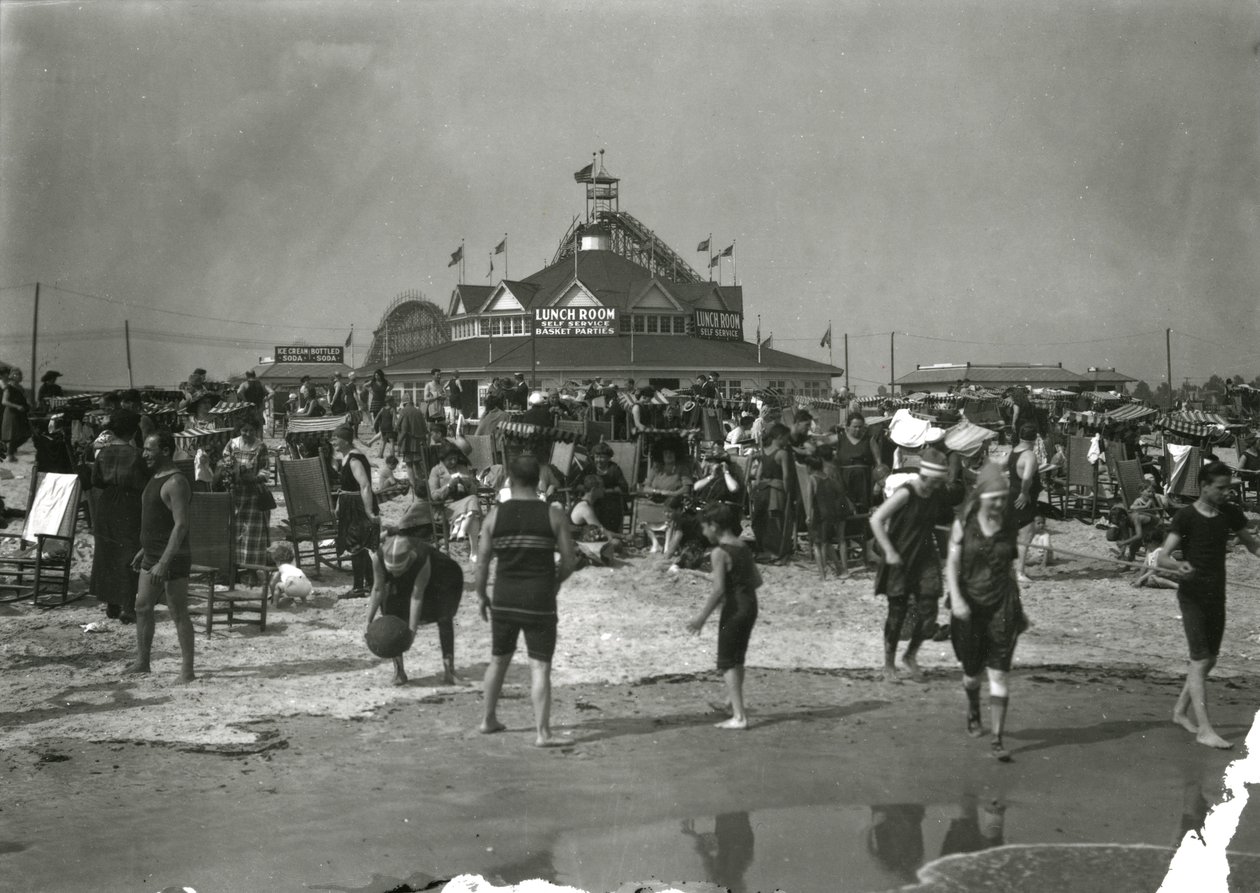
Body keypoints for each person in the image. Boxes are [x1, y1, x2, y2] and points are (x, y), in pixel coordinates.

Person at [1157, 462, 1260, 749]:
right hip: (1192, 596)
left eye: (1229, 487)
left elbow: (1253, 546)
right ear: (1204, 487)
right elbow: (1162, 557)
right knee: (1200, 659)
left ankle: (1179, 712)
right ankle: (1204, 729)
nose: (1227, 492)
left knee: (1209, 659)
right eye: (1221, 488)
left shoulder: (1230, 513)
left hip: (1217, 593)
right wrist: (1179, 565)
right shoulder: (1186, 516)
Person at [476, 455, 576, 746]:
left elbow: (482, 563)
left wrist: (481, 595)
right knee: (540, 667)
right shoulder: (553, 514)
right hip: (540, 599)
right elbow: (569, 561)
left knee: (498, 660)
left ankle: (488, 719)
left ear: (508, 479)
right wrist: (553, 582)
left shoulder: (495, 515)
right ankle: (542, 733)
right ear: (539, 481)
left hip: (504, 597)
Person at [945, 461, 1029, 762]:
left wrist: (1017, 607)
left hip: (1002, 605)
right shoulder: (964, 522)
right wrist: (956, 598)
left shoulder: (1009, 522)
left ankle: (997, 739)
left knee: (1000, 675)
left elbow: (1007, 566)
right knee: (971, 675)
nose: (999, 503)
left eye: (1003, 498)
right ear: (980, 496)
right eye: (994, 498)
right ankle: (973, 708)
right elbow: (951, 565)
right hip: (969, 604)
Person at [869, 447, 953, 681]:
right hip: (900, 558)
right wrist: (889, 551)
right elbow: (876, 519)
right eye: (937, 480)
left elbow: (942, 527)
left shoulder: (936, 494)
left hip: (925, 559)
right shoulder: (906, 493)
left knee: (929, 614)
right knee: (897, 613)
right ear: (926, 476)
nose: (939, 485)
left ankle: (910, 656)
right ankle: (889, 665)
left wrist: (946, 556)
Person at [686, 503, 761, 730]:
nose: (703, 532)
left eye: (704, 527)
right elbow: (757, 581)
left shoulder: (719, 552)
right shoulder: (743, 547)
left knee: (727, 661)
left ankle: (739, 717)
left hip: (734, 607)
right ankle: (731, 702)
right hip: (750, 605)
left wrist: (701, 618)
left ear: (714, 526)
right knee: (738, 657)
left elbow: (718, 590)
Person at [127, 432, 195, 682]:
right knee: (142, 607)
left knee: (178, 612)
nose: (144, 454)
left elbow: (180, 526)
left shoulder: (176, 482)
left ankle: (187, 670)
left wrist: (164, 562)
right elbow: (158, 521)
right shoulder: (156, 477)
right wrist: (144, 550)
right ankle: (143, 662)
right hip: (152, 554)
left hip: (172, 557)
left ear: (165, 451)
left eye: (149, 449)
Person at [367, 534, 464, 686]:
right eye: (391, 571)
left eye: (398, 570)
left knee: (444, 618)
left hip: (441, 576)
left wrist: (411, 632)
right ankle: (399, 672)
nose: (395, 575)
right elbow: (378, 589)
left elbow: (416, 596)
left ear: (409, 560)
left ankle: (449, 670)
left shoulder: (421, 556)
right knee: (391, 614)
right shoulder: (377, 558)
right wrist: (368, 621)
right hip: (408, 575)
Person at [90, 410, 149, 623]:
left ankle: (111, 603)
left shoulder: (103, 453)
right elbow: (145, 482)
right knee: (129, 553)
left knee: (108, 552)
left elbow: (96, 480)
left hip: (106, 503)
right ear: (133, 430)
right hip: (129, 504)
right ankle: (128, 607)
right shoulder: (137, 454)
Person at [332, 425, 379, 599]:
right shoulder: (345, 457)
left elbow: (365, 485)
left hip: (357, 505)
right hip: (348, 503)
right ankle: (371, 583)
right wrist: (339, 505)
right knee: (357, 546)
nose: (334, 442)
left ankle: (359, 588)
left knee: (356, 545)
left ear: (344, 440)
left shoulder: (354, 459)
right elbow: (345, 487)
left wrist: (368, 511)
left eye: (336, 439)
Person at [220, 418, 271, 572]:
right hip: (235, 494)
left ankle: (251, 570)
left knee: (252, 534)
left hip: (253, 495)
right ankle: (233, 569)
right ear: (239, 430)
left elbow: (265, 468)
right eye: (244, 430)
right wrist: (232, 472)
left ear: (256, 431)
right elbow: (225, 463)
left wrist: (256, 478)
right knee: (233, 531)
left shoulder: (260, 447)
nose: (247, 434)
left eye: (251, 431)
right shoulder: (232, 444)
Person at [750, 423, 797, 561]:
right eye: (786, 439)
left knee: (761, 520)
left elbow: (758, 474)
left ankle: (764, 549)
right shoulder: (782, 453)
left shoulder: (764, 451)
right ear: (780, 437)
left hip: (762, 490)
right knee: (776, 521)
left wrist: (756, 488)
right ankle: (776, 551)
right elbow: (786, 476)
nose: (787, 442)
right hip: (776, 491)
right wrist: (789, 492)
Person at [428, 444, 483, 559]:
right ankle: (474, 551)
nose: (453, 462)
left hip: (465, 503)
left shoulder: (462, 468)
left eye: (455, 458)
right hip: (446, 507)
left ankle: (461, 531)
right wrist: (448, 486)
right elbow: (434, 496)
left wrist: (467, 484)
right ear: (442, 459)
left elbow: (474, 491)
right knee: (474, 508)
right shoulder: (436, 471)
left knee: (473, 502)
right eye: (450, 459)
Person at [1006, 423, 1042, 583]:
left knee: (1017, 533)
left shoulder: (1014, 451)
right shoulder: (1029, 455)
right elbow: (1027, 477)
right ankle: (1020, 572)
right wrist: (1025, 492)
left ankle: (1013, 567)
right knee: (1026, 534)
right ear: (1035, 439)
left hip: (1012, 493)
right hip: (1023, 497)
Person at [588, 441, 629, 532]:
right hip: (594, 502)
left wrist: (606, 491)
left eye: (602, 457)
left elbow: (623, 487)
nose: (599, 460)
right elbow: (577, 484)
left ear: (608, 458)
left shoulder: (614, 469)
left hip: (611, 503)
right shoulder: (590, 469)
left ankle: (611, 534)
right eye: (596, 457)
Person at [395, 398, 428, 486]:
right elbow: (425, 429)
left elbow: (404, 429)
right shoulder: (419, 411)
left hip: (408, 443)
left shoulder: (403, 411)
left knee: (409, 465)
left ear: (404, 403)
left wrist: (399, 441)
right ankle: (421, 485)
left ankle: (413, 485)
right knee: (417, 464)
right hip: (419, 442)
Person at [2, 368, 31, 462]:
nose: (21, 377)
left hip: (20, 414)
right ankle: (10, 455)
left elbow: (24, 399)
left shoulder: (20, 388)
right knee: (13, 435)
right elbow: (4, 401)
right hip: (12, 413)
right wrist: (17, 406)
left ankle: (10, 451)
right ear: (13, 376)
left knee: (26, 434)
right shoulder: (9, 387)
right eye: (19, 375)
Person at [370, 395, 397, 459]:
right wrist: (394, 427)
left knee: (383, 441)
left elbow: (376, 417)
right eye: (393, 400)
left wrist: (373, 425)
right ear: (390, 402)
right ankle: (392, 456)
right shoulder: (392, 409)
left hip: (382, 427)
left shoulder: (382, 409)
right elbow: (394, 420)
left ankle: (380, 454)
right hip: (389, 427)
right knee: (391, 442)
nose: (394, 402)